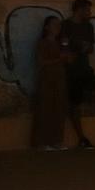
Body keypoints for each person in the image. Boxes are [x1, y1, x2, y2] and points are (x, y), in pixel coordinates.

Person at [62, 0, 95, 148]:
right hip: (72, 70)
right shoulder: (66, 25)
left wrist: (85, 48)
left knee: (94, 95)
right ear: (80, 9)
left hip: (84, 67)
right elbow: (63, 43)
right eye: (87, 10)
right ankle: (81, 137)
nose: (89, 13)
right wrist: (69, 50)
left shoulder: (88, 27)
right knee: (74, 103)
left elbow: (91, 48)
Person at [31, 14, 70, 149]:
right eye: (54, 24)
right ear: (47, 27)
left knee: (58, 109)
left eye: (59, 25)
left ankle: (56, 141)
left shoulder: (61, 44)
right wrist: (59, 59)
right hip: (46, 79)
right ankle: (42, 141)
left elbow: (67, 60)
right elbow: (41, 62)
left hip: (59, 79)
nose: (57, 28)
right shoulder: (42, 43)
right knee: (45, 109)